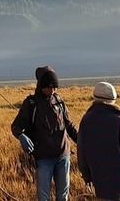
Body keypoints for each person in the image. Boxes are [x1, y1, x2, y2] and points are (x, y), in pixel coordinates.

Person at [11, 66, 78, 201]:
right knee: (43, 197)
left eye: (55, 87)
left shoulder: (58, 101)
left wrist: (81, 140)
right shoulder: (31, 103)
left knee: (63, 196)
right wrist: (21, 136)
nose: (53, 90)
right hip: (43, 159)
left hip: (63, 156)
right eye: (50, 87)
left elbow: (69, 125)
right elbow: (16, 126)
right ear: (41, 86)